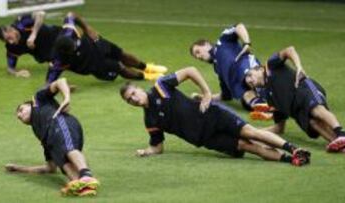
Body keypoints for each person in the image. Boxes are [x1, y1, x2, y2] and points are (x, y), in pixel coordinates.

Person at [119, 67, 310, 166]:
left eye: (133, 94)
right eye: (130, 100)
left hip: (213, 115)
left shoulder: (160, 87)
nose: (134, 99)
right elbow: (157, 146)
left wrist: (207, 93)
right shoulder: (150, 120)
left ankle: (293, 149)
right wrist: (147, 151)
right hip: (205, 138)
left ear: (139, 89)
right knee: (249, 147)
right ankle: (291, 160)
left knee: (251, 133)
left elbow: (190, 71)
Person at [5, 78, 100, 196]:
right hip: (53, 137)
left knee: (66, 148)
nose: (20, 115)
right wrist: (19, 169)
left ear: (30, 104)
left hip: (61, 123)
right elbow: (50, 168)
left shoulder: (38, 100)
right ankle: (82, 186)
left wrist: (67, 98)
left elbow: (61, 81)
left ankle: (86, 175)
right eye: (18, 117)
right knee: (61, 160)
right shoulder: (39, 131)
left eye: (21, 110)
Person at [244, 46, 345, 152]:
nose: (250, 80)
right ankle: (338, 144)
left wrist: (299, 67)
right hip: (297, 109)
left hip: (303, 88)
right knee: (312, 122)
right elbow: (279, 128)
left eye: (250, 75)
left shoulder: (271, 66)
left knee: (315, 110)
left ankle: (341, 133)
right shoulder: (270, 98)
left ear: (260, 69)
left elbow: (289, 50)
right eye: (248, 81)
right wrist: (253, 132)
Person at [46, 12, 167, 84]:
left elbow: (70, 15)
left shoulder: (68, 31)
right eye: (72, 49)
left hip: (96, 44)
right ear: (64, 52)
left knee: (122, 54)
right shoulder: (57, 60)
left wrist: (87, 28)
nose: (76, 47)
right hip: (93, 64)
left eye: (75, 43)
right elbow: (48, 83)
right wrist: (60, 87)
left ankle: (146, 67)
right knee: (120, 67)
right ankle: (145, 76)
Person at [190, 23, 271, 120]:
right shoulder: (218, 69)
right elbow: (225, 96)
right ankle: (264, 106)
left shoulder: (222, 42)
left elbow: (239, 26)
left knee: (250, 80)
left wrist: (246, 43)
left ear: (206, 44)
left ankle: (270, 101)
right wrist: (206, 97)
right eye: (197, 57)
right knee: (245, 95)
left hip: (248, 69)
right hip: (245, 85)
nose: (199, 57)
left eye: (198, 52)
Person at [0, 11, 61, 78]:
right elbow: (10, 68)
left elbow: (41, 14)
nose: (11, 42)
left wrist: (33, 34)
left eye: (9, 38)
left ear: (11, 29)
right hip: (51, 54)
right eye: (6, 41)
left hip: (58, 36)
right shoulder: (12, 47)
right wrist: (17, 73)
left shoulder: (21, 23)